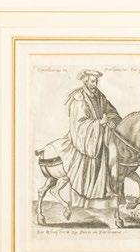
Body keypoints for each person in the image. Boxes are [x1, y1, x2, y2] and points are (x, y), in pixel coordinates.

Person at [51, 69, 121, 207]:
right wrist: (98, 123)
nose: (95, 84)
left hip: (99, 136)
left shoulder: (100, 96)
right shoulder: (79, 98)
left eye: (96, 81)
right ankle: (83, 200)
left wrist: (112, 119)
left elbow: (111, 111)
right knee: (83, 160)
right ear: (85, 81)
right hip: (84, 139)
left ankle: (103, 193)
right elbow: (79, 123)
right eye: (93, 81)